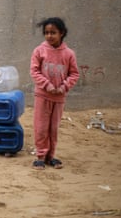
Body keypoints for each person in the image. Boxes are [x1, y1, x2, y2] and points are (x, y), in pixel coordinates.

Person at [30, 17, 79, 170]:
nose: (49, 36)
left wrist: (64, 87)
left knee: (53, 128)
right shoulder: (39, 51)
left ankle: (51, 156)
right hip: (42, 96)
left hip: (59, 98)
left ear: (62, 33)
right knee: (41, 127)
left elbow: (74, 74)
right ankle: (40, 156)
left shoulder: (69, 54)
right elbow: (34, 71)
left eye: (53, 33)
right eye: (46, 33)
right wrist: (47, 85)